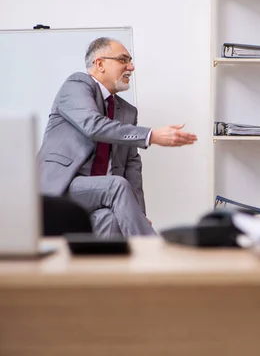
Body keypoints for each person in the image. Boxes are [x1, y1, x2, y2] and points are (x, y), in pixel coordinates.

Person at [38, 37, 197, 238]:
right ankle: (156, 255)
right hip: (63, 187)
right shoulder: (77, 84)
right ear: (100, 64)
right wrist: (151, 135)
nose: (131, 67)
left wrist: (138, 213)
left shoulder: (128, 111)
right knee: (116, 185)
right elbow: (93, 125)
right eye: (123, 60)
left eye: (130, 61)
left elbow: (132, 166)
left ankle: (103, 268)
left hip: (99, 195)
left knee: (111, 220)